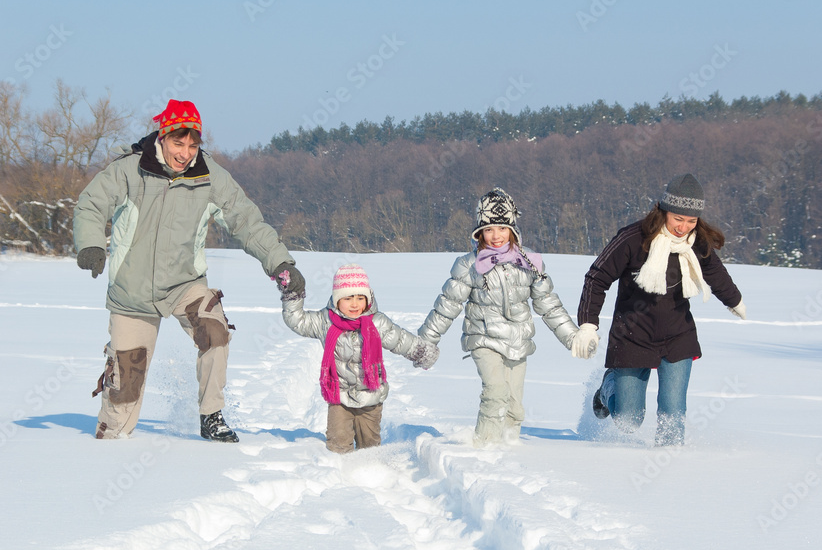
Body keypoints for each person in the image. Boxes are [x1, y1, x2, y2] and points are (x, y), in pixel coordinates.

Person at [73, 99, 304, 442]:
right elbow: (91, 204)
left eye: (192, 144)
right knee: (125, 387)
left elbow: (246, 220)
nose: (185, 153)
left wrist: (280, 262)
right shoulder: (129, 170)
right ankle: (111, 442)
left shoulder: (209, 176)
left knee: (215, 331)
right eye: (178, 143)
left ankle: (211, 415)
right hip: (132, 290)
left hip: (185, 283)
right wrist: (90, 243)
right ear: (163, 137)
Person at [572, 173, 746, 446]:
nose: (683, 227)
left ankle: (670, 475)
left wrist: (734, 300)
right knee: (629, 419)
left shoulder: (695, 242)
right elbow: (597, 278)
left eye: (691, 220)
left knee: (673, 416)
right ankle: (609, 388)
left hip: (678, 336)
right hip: (632, 335)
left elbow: (714, 271)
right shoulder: (633, 239)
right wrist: (587, 324)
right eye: (678, 218)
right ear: (663, 210)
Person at [418, 188, 579, 446]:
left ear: (512, 230)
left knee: (515, 407)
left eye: (502, 229)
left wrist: (572, 336)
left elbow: (548, 304)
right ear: (480, 231)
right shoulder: (469, 265)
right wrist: (425, 341)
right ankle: (484, 446)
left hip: (518, 342)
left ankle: (508, 448)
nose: (496, 236)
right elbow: (447, 305)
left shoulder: (529, 263)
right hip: (483, 338)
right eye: (489, 229)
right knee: (496, 392)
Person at [280, 263, 439, 453]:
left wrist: (422, 353)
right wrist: (292, 295)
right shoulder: (326, 321)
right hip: (338, 397)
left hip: (371, 397)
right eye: (348, 298)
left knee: (370, 447)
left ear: (368, 298)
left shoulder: (377, 322)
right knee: (338, 444)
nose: (355, 304)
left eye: (360, 297)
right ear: (337, 300)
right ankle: (341, 477)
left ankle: (369, 477)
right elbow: (297, 321)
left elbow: (400, 340)